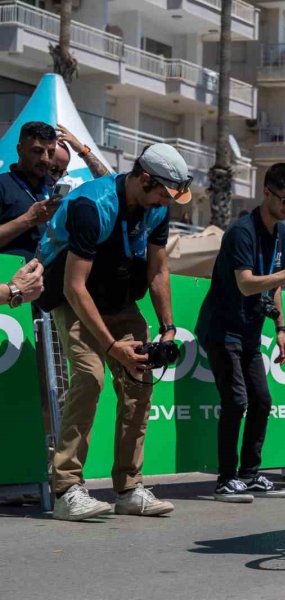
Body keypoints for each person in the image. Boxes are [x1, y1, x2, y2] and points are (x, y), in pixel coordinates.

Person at [37, 143, 192, 521]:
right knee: (90, 376)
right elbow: (75, 286)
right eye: (162, 194)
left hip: (118, 296)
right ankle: (67, 489)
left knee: (140, 378)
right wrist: (111, 346)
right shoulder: (93, 206)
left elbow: (157, 270)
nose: (164, 203)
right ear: (143, 178)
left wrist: (168, 327)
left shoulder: (156, 208)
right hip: (73, 295)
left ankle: (128, 488)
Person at [196, 163, 285, 503]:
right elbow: (247, 283)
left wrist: (280, 327)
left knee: (262, 401)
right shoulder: (241, 232)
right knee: (236, 401)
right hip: (221, 328)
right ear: (266, 193)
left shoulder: (279, 233)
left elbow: (274, 281)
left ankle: (249, 475)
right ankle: (225, 480)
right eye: (284, 200)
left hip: (249, 330)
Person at [0, 122, 60, 258]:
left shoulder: (52, 191)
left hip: (45, 276)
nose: (45, 159)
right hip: (7, 276)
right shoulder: (3, 185)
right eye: (37, 151)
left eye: (51, 153)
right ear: (20, 149)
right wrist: (29, 219)